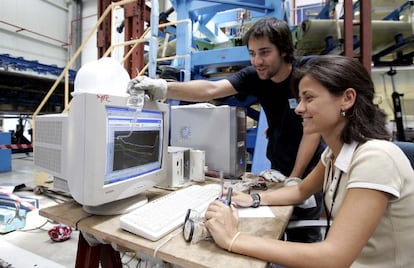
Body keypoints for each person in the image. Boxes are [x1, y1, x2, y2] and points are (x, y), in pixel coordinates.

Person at [204, 55, 414, 267]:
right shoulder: (334, 154)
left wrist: (233, 238)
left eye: (309, 98)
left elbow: (334, 257)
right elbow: (300, 191)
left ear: (347, 98)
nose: (298, 109)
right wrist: (254, 199)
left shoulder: (376, 159)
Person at [128, 17, 325, 242]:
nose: (257, 60)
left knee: (304, 236)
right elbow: (211, 89)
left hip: (309, 172)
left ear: (283, 50)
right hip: (280, 169)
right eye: (252, 53)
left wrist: (296, 177)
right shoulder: (256, 76)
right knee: (276, 227)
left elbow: (313, 130)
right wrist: (164, 88)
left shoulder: (306, 73)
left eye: (264, 52)